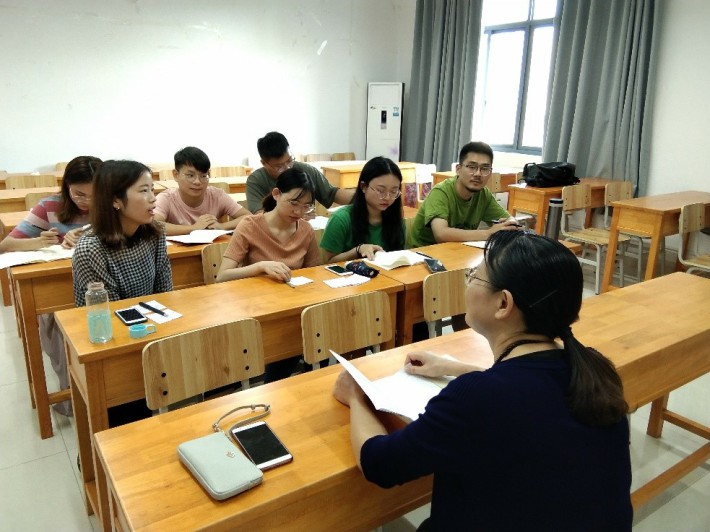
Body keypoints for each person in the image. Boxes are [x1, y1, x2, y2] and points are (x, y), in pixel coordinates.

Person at [333, 231, 632, 531]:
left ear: (503, 303)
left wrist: (357, 396)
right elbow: (529, 394)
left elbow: (379, 464)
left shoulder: (477, 397)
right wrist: (456, 367)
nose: (468, 283)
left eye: (474, 276)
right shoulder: (593, 371)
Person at [72, 160, 173, 426]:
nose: (153, 199)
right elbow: (113, 315)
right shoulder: (91, 249)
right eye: (143, 191)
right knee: (128, 417)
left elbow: (165, 294)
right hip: (109, 344)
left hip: (149, 332)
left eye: (152, 189)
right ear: (115, 200)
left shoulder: (155, 234)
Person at [1, 155, 101, 417]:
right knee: (59, 326)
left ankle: (108, 394)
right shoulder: (49, 206)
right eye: (79, 194)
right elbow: (6, 245)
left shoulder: (114, 203)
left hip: (102, 284)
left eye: (94, 195)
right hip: (61, 287)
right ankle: (74, 396)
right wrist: (42, 242)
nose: (87, 202)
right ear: (66, 186)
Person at [217, 167, 321, 382]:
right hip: (259, 309)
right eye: (294, 203)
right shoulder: (250, 225)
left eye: (306, 206)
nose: (299, 212)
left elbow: (315, 274)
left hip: (294, 307)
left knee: (320, 330)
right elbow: (222, 276)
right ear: (276, 194)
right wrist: (260, 267)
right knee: (290, 338)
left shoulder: (306, 230)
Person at [407, 141, 520, 248]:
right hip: (423, 254)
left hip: (458, 251)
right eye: (472, 167)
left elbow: (508, 219)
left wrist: (511, 223)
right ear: (458, 169)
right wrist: (488, 233)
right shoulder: (441, 192)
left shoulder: (483, 194)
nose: (478, 174)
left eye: (484, 168)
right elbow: (441, 234)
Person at [245, 131, 354, 215]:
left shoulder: (305, 171)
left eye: (289, 160)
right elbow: (259, 215)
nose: (288, 168)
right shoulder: (256, 181)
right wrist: (296, 214)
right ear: (264, 163)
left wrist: (361, 199)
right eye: (279, 167)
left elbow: (331, 193)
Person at [320, 156, 405, 262]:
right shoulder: (340, 219)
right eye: (380, 190)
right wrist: (357, 250)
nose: (387, 197)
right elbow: (329, 262)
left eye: (393, 191)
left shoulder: (395, 218)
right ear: (364, 187)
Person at [154, 146, 248, 235]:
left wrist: (222, 226)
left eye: (203, 176)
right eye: (190, 175)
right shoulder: (166, 198)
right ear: (176, 175)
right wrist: (193, 228)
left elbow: (248, 217)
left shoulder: (217, 195)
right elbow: (153, 225)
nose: (197, 182)